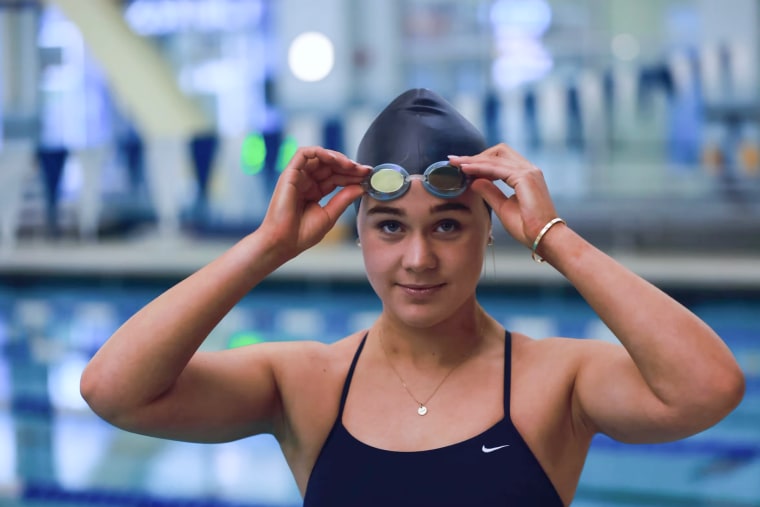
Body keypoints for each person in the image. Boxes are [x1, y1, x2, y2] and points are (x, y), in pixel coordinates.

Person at [81, 88, 745, 506]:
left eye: (449, 226)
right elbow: (113, 389)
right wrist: (267, 246)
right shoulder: (307, 382)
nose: (418, 258)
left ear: (490, 230)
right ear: (361, 234)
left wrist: (553, 235)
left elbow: (708, 387)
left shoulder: (555, 380)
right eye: (390, 226)